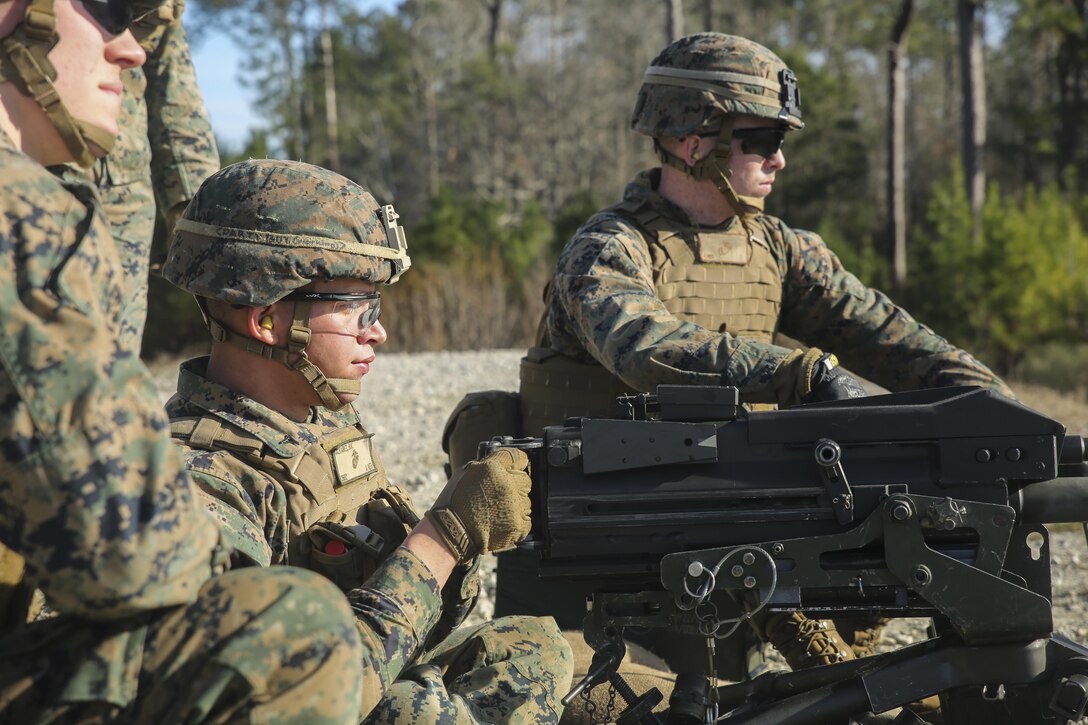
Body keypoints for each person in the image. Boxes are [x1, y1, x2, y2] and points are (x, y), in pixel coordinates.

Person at [503, 32, 1015, 680]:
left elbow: (891, 335)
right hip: (580, 544)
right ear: (695, 138)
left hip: (705, 530)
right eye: (765, 140)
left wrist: (996, 408)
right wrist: (804, 374)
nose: (780, 162)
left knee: (723, 690)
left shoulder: (779, 249)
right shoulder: (608, 248)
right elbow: (643, 347)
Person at [0, 1, 368, 723]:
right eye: (104, 13)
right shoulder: (23, 218)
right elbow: (127, 556)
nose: (132, 53)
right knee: (291, 629)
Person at [161, 157, 574, 723]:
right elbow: (302, 699)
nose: (376, 331)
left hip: (381, 672)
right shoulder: (202, 486)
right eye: (358, 309)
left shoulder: (315, 420)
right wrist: (443, 538)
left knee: (531, 647)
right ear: (267, 322)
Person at [56, 0, 219, 353]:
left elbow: (171, 78)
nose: (131, 52)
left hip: (122, 192)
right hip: (28, 165)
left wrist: (195, 204)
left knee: (115, 348)